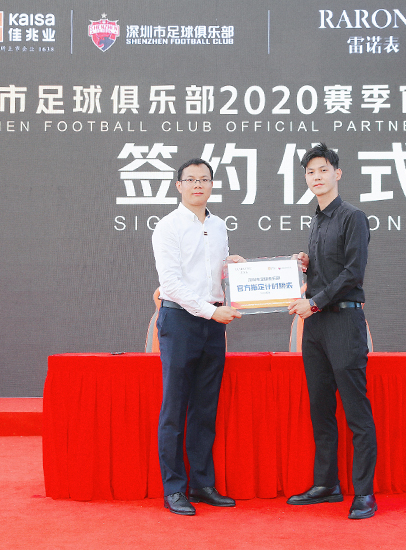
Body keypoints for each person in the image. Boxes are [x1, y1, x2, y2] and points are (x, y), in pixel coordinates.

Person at [286, 143, 378, 520]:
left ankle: (365, 493)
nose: (317, 177)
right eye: (310, 172)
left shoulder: (353, 217)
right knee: (320, 410)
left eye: (323, 170)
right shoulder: (317, 221)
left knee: (356, 412)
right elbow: (327, 272)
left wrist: (315, 301)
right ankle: (326, 485)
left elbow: (352, 273)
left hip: (342, 322)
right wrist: (306, 265)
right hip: (316, 327)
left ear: (337, 174)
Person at [151, 158, 244, 516]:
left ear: (211, 185)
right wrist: (210, 311)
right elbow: (171, 284)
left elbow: (213, 274)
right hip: (180, 321)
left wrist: (232, 268)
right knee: (175, 408)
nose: (197, 185)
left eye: (203, 179)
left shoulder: (218, 226)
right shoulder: (168, 227)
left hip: (213, 324)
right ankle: (174, 488)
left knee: (205, 408)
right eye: (190, 180)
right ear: (179, 186)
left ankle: (203, 484)